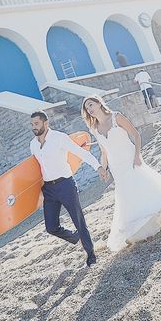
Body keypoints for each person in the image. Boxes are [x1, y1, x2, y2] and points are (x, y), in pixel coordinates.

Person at [81, 95, 161, 251]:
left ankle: (160, 208)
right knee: (128, 193)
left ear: (100, 103)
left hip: (130, 158)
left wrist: (137, 156)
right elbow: (103, 151)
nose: (90, 109)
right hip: (116, 166)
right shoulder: (94, 128)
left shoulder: (116, 117)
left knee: (144, 184)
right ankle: (140, 222)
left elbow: (135, 135)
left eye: (91, 105)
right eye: (87, 108)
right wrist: (104, 168)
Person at [29, 110, 107, 267]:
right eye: (31, 124)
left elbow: (80, 153)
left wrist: (98, 167)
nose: (33, 127)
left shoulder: (59, 138)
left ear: (46, 123)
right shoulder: (33, 145)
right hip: (48, 189)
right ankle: (76, 238)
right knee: (51, 227)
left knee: (78, 219)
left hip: (65, 184)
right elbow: (36, 170)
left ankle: (90, 253)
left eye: (36, 124)